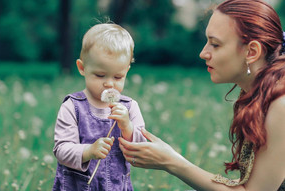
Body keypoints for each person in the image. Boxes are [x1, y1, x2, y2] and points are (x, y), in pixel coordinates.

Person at [118, 0, 285, 190]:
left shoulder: (280, 106)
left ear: (252, 51)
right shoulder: (262, 93)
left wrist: (172, 162)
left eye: (215, 44)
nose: (203, 53)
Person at [52, 23, 146, 191]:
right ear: (82, 68)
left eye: (118, 77)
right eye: (100, 75)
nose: (109, 83)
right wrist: (88, 151)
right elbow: (61, 150)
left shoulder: (130, 108)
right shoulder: (72, 107)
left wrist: (127, 126)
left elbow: (141, 152)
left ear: (127, 71)